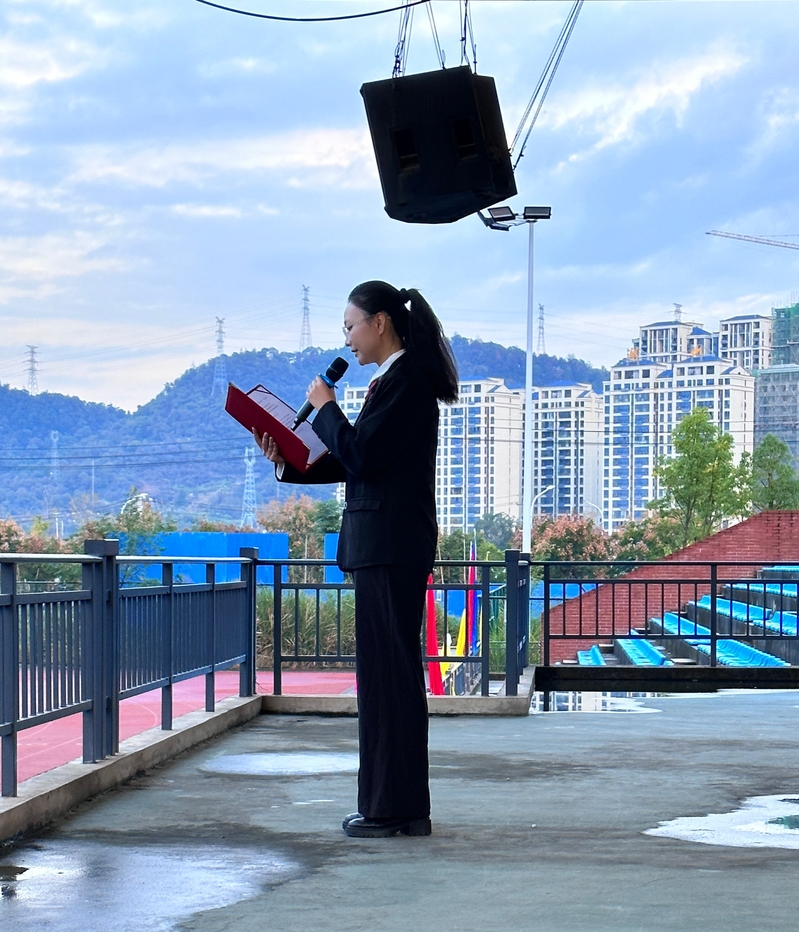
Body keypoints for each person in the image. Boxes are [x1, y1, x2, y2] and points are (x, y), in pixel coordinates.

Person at [255, 280, 458, 838]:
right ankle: (393, 806)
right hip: (384, 546)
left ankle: (393, 810)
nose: (347, 338)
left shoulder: (405, 382)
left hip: (389, 546)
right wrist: (287, 460)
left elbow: (362, 454)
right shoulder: (391, 382)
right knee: (385, 679)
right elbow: (355, 460)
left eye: (351, 326)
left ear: (380, 323)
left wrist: (325, 408)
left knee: (388, 680)